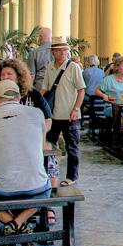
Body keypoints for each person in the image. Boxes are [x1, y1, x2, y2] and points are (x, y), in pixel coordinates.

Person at [0, 79, 51, 246]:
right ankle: (21, 225)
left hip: (2, 188)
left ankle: (11, 224)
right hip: (37, 185)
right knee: (45, 189)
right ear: (19, 96)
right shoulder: (37, 113)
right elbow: (40, 146)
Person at [41, 36, 86, 186]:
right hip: (53, 115)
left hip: (70, 115)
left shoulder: (73, 67)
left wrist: (76, 109)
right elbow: (45, 89)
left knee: (71, 146)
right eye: (59, 50)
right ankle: (47, 173)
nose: (63, 53)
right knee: (48, 145)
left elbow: (81, 90)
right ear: (53, 52)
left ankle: (71, 176)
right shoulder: (50, 67)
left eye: (65, 50)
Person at [95, 55, 123, 122]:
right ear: (117, 67)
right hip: (111, 106)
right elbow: (97, 90)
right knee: (119, 116)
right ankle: (119, 131)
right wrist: (104, 96)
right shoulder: (108, 79)